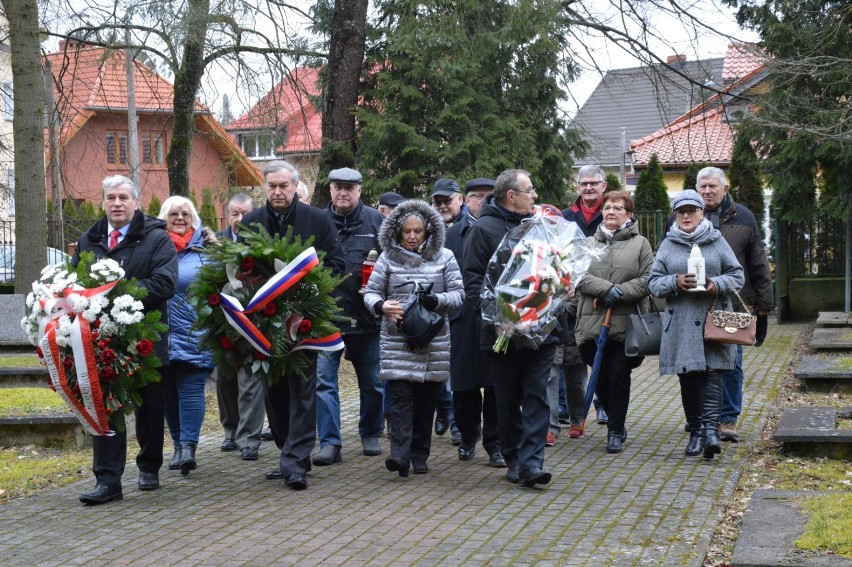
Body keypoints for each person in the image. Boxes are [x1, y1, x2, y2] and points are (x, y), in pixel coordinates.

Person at [239, 160, 345, 490]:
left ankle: (297, 461)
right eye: (272, 186)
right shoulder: (253, 221)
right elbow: (237, 269)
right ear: (264, 188)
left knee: (302, 391)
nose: (278, 191)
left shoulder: (317, 218)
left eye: (284, 186)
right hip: (265, 322)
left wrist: (311, 290)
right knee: (274, 392)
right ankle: (288, 449)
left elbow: (338, 264)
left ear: (295, 187)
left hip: (305, 321)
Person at [76, 175, 178, 504]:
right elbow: (74, 283)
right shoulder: (88, 241)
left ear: (136, 202)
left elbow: (165, 284)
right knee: (107, 405)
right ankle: (108, 480)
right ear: (103, 202)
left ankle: (149, 466)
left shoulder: (156, 239)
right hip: (101, 342)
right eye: (110, 197)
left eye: (123, 197)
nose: (117, 203)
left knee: (149, 407)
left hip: (144, 338)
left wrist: (119, 295)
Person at [463, 168, 556, 487]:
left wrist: (561, 288)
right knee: (507, 397)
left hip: (542, 328)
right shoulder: (484, 230)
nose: (535, 196)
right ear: (511, 196)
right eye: (529, 190)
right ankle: (514, 456)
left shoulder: (541, 225)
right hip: (501, 331)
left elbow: (556, 267)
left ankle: (532, 463)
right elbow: (473, 280)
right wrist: (499, 315)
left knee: (536, 395)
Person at [363, 200, 464, 477]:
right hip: (398, 341)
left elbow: (458, 295)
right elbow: (370, 292)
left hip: (433, 342)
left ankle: (420, 454)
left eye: (417, 231)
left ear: (428, 231)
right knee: (400, 401)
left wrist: (436, 300)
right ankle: (400, 456)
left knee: (425, 403)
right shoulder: (386, 258)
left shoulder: (445, 257)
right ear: (397, 231)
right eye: (406, 231)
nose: (411, 236)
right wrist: (381, 306)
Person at [648, 190, 745, 460]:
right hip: (680, 324)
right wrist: (675, 282)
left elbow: (737, 275)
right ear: (676, 216)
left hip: (712, 320)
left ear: (702, 213)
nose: (687, 216)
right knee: (688, 378)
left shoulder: (716, 241)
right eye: (681, 212)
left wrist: (717, 284)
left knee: (713, 374)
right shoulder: (668, 244)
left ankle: (711, 433)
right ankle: (696, 432)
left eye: (692, 211)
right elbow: (653, 283)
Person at [695, 167, 772, 442]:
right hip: (693, 304)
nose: (707, 191)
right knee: (695, 363)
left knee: (730, 363)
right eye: (702, 186)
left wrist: (763, 306)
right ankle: (702, 418)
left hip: (732, 305)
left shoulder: (744, 217)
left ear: (725, 188)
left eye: (712, 186)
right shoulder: (685, 215)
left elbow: (758, 262)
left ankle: (727, 419)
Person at [315, 167, 385, 465]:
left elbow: (390, 264)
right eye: (337, 187)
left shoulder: (377, 222)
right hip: (326, 317)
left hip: (366, 317)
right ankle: (330, 442)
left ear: (360, 190)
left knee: (372, 381)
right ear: (330, 190)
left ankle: (370, 431)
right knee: (323, 382)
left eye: (349, 187)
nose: (342, 192)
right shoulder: (317, 221)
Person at [574, 190, 654, 453]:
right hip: (591, 322)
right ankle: (615, 418)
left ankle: (615, 430)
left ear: (628, 215)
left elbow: (647, 279)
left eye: (618, 208)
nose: (610, 211)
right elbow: (578, 276)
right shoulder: (588, 243)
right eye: (607, 207)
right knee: (599, 375)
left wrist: (620, 293)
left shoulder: (640, 243)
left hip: (626, 323)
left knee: (618, 373)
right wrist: (605, 289)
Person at [445, 177, 505, 467]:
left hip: (497, 317)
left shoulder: (504, 230)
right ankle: (468, 436)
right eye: (475, 196)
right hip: (463, 317)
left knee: (494, 383)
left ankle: (495, 444)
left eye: (488, 195)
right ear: (465, 200)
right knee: (464, 383)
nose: (482, 200)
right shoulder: (451, 234)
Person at [157, 196, 216, 474]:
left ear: (194, 218)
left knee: (191, 389)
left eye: (185, 213)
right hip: (161, 333)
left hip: (195, 330)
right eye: (173, 214)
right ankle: (178, 446)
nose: (180, 218)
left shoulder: (207, 251)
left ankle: (189, 447)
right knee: (168, 393)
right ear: (164, 218)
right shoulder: (155, 248)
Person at [213, 194, 271, 457]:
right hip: (221, 321)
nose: (240, 219)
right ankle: (231, 430)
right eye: (235, 214)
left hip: (254, 322)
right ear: (227, 215)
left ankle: (249, 439)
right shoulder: (215, 242)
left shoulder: (263, 244)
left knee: (251, 381)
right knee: (224, 380)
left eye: (245, 214)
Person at [562, 165, 609, 425]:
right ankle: (573, 409)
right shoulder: (566, 216)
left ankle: (602, 404)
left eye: (594, 183)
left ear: (604, 186)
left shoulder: (613, 213)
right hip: (573, 294)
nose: (589, 188)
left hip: (603, 293)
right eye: (584, 184)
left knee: (602, 353)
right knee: (574, 355)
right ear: (577, 187)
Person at [431, 178, 468, 443]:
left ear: (460, 199)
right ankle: (443, 408)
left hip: (461, 308)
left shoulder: (471, 226)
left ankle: (457, 424)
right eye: (438, 202)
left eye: (447, 200)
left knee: (456, 371)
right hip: (434, 308)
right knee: (438, 369)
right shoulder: (427, 228)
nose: (443, 206)